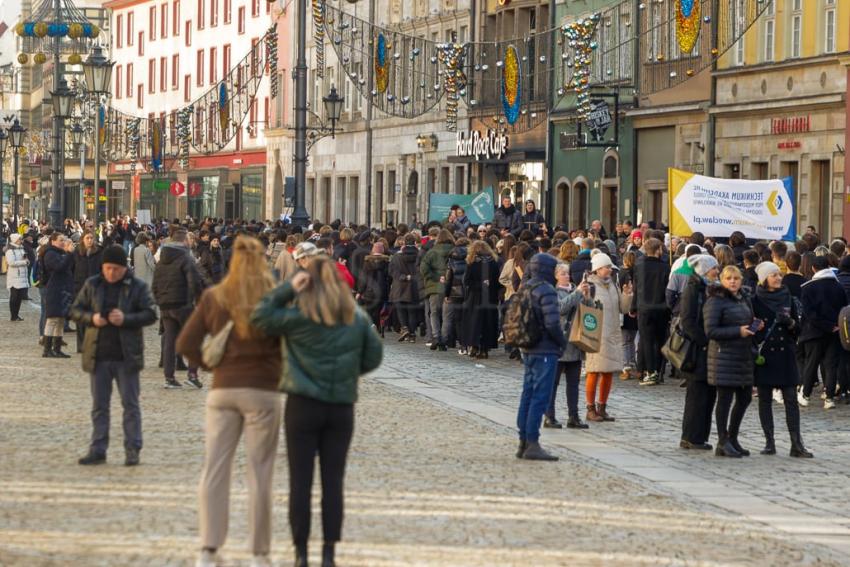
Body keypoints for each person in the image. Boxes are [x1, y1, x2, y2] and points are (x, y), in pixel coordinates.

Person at [251, 256, 383, 567]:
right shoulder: (356, 316)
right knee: (333, 482)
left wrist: (286, 289)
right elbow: (374, 355)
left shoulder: (298, 315)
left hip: (302, 404)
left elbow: (260, 316)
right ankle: (328, 552)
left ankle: (301, 552)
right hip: (340, 406)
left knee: (301, 481)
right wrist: (349, 372)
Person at [176, 236, 283, 567]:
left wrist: (212, 365)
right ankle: (260, 553)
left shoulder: (215, 297)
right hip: (263, 391)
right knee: (260, 472)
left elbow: (185, 342)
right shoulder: (274, 299)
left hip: (223, 390)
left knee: (215, 469)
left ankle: (209, 549)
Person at [69, 245, 158, 466]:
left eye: (116, 269)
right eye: (108, 268)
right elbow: (74, 310)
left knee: (130, 405)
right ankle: (98, 448)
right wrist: (93, 318)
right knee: (100, 406)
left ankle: (132, 449)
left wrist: (126, 319)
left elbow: (150, 314)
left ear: (124, 268)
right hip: (98, 355)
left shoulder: (136, 286)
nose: (111, 273)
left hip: (126, 356)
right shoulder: (92, 284)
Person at [751, 262, 813, 458]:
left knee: (791, 400)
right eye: (773, 275)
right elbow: (749, 328)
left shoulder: (788, 298)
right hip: (766, 355)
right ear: (764, 279)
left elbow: (799, 330)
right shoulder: (755, 301)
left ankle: (796, 443)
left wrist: (791, 323)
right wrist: (757, 329)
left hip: (786, 354)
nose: (778, 278)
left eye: (779, 274)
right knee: (765, 400)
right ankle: (769, 442)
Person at [515, 253, 567, 461]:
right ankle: (533, 442)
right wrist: (562, 342)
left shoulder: (526, 287)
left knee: (527, 394)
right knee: (540, 397)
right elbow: (552, 323)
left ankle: (523, 441)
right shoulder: (546, 290)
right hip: (544, 348)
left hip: (528, 346)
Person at [704, 265, 759, 458]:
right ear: (722, 280)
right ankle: (722, 440)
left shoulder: (744, 298)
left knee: (745, 398)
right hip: (723, 356)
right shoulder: (716, 300)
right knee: (725, 399)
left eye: (736, 278)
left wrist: (754, 326)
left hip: (743, 355)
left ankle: (733, 437)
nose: (733, 281)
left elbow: (749, 318)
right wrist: (738, 331)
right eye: (729, 278)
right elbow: (710, 331)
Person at [152, 228, 206, 389]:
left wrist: (160, 300)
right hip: (182, 304)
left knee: (170, 341)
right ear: (183, 241)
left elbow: (155, 284)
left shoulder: (162, 260)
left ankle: (169, 377)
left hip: (165, 306)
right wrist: (199, 299)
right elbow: (194, 281)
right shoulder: (185, 258)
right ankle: (192, 375)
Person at [584, 253, 632, 422]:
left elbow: (623, 309)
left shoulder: (613, 285)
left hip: (612, 333)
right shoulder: (590, 286)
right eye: (606, 267)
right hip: (596, 334)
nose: (610, 270)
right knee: (594, 371)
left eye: (610, 267)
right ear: (597, 269)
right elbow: (584, 310)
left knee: (608, 372)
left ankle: (602, 406)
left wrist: (627, 295)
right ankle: (590, 408)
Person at [678, 255, 719, 450]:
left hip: (708, 349)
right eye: (713, 269)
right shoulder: (693, 289)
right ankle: (691, 437)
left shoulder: (708, 288)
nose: (716, 272)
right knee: (697, 394)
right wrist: (704, 340)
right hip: (697, 350)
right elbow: (687, 322)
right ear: (704, 270)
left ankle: (700, 436)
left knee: (708, 394)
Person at [545, 262, 592, 430]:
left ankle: (574, 416)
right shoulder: (552, 292)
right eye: (563, 273)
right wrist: (577, 293)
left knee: (573, 384)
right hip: (558, 343)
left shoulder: (576, 290)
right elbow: (560, 309)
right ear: (556, 275)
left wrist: (586, 296)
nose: (567, 276)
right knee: (553, 383)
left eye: (568, 273)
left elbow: (589, 312)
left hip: (575, 342)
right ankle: (549, 415)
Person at [798, 256, 845, 409]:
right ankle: (829, 398)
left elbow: (810, 314)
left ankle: (805, 394)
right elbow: (843, 309)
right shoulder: (838, 287)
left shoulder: (808, 288)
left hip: (814, 332)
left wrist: (826, 325)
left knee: (812, 363)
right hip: (834, 331)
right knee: (831, 365)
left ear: (813, 269)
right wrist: (834, 326)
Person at [630, 238, 671, 385]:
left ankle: (650, 371)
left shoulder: (639, 265)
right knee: (660, 340)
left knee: (646, 340)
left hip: (644, 307)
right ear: (659, 249)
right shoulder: (666, 267)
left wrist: (633, 307)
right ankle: (659, 372)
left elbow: (636, 288)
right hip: (661, 308)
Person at [461, 240, 501, 358]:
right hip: (490, 297)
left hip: (475, 297)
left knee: (474, 323)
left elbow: (466, 281)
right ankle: (484, 348)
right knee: (487, 323)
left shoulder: (472, 262)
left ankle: (474, 345)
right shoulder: (493, 262)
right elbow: (498, 281)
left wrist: (480, 284)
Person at [42, 232, 76, 358]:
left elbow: (70, 267)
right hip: (55, 290)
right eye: (60, 240)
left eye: (64, 240)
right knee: (52, 320)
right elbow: (59, 267)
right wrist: (68, 254)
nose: (63, 242)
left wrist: (70, 254)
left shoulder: (60, 253)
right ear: (53, 241)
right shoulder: (50, 254)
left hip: (64, 289)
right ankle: (47, 349)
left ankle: (57, 348)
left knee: (61, 320)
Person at [419, 229, 454, 351]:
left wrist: (436, 278)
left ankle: (436, 337)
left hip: (434, 287)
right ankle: (444, 340)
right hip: (451, 287)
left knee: (434, 313)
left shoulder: (432, 252)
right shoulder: (454, 251)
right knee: (447, 315)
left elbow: (423, 268)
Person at [73, 231, 104, 353]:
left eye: (92, 238)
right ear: (82, 240)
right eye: (88, 238)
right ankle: (81, 345)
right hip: (79, 289)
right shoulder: (76, 253)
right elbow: (71, 270)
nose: (90, 240)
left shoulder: (99, 252)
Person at [388, 234, 421, 342]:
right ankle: (412, 334)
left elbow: (392, 271)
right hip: (414, 286)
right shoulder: (420, 255)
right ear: (414, 242)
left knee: (401, 309)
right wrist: (412, 277)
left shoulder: (397, 256)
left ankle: (405, 328)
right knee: (412, 311)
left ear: (404, 243)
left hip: (399, 286)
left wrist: (403, 277)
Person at [355, 242, 390, 332]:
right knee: (378, 311)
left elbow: (364, 279)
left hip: (369, 291)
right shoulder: (386, 262)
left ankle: (371, 326)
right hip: (382, 291)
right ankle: (377, 327)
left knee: (369, 310)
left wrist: (359, 291)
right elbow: (389, 278)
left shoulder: (367, 262)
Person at [442, 240, 468, 352]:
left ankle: (459, 343)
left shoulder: (451, 263)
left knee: (456, 319)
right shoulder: (469, 261)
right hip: (467, 292)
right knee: (466, 318)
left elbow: (448, 280)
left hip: (455, 293)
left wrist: (446, 294)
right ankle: (465, 343)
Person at [5, 233, 30, 322]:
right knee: (14, 297)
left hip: (22, 276)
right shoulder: (10, 250)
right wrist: (23, 262)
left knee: (19, 297)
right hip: (14, 276)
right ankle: (13, 315)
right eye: (19, 239)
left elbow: (24, 259)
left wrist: (27, 261)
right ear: (15, 240)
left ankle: (16, 315)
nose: (21, 241)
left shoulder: (21, 248)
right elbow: (11, 262)